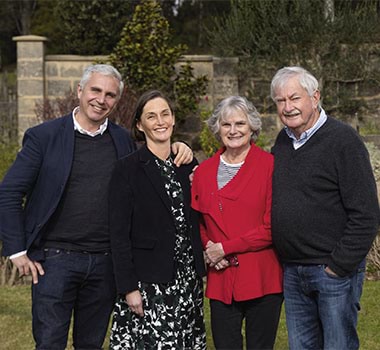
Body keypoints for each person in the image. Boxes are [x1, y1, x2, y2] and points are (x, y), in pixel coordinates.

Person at [0, 64, 193, 349]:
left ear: (116, 101)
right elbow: (9, 192)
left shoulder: (122, 141)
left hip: (104, 263)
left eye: (110, 95)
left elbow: (150, 165)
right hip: (54, 261)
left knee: (90, 344)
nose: (101, 100)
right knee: (49, 343)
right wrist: (16, 251)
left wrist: (178, 147)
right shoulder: (44, 137)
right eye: (95, 90)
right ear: (80, 91)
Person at [270, 66, 380, 350]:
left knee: (338, 346)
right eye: (281, 101)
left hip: (332, 271)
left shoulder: (343, 141)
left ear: (315, 97)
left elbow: (366, 213)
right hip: (293, 272)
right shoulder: (282, 143)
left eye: (294, 98)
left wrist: (338, 266)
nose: (288, 107)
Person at [108, 90, 207, 349]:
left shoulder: (187, 163)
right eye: (151, 116)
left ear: (174, 119)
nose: (160, 121)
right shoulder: (126, 169)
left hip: (187, 281)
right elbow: (118, 235)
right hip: (149, 284)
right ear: (140, 125)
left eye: (165, 114)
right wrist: (129, 288)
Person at [191, 96, 283, 350]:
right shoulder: (203, 171)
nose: (233, 131)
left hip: (261, 276)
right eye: (226, 124)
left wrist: (225, 248)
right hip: (221, 278)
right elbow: (197, 220)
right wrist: (210, 246)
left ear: (252, 127)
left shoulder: (270, 166)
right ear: (217, 129)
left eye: (240, 123)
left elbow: (272, 226)